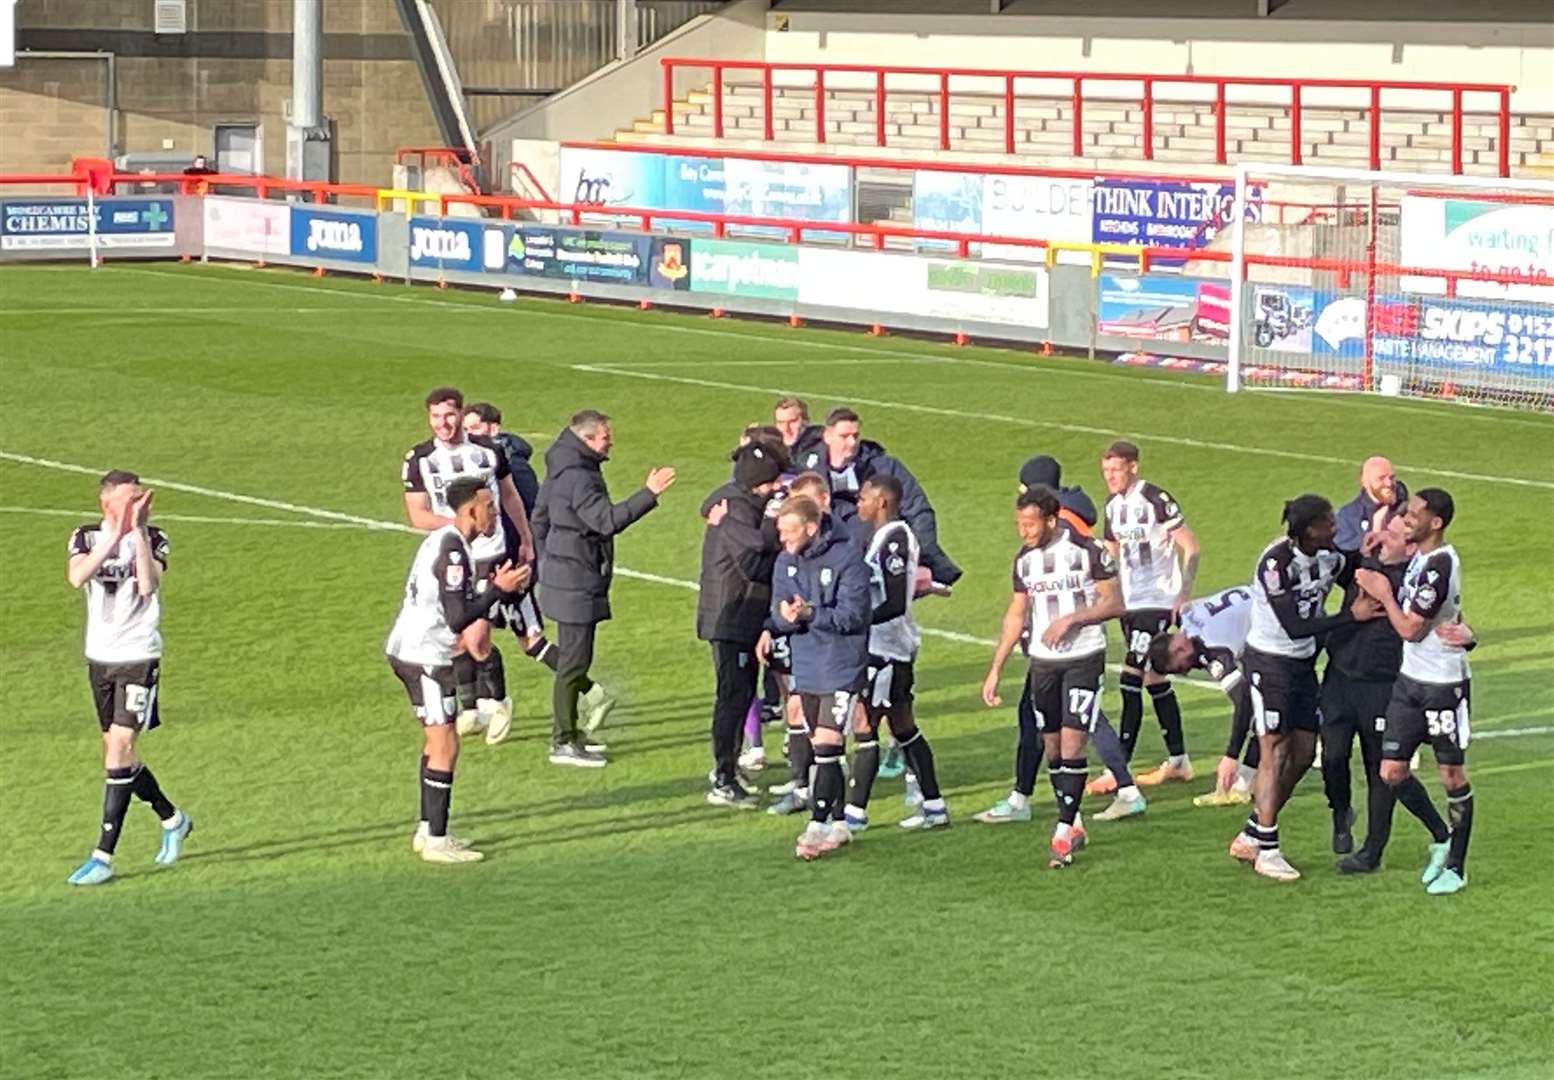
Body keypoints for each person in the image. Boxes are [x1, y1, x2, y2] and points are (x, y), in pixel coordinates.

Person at [977, 454, 1144, 824]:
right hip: (1044, 659)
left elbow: (1113, 601)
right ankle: (1101, 796)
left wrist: (1071, 619)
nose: (1024, 530)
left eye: (1029, 522)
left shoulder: (1078, 545)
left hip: (1082, 656)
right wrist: (995, 669)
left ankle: (1046, 808)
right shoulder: (1026, 558)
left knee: (1071, 732)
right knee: (1055, 731)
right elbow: (1016, 613)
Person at [1229, 495, 1378, 882]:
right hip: (1269, 663)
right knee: (1273, 750)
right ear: (1309, 529)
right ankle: (1268, 850)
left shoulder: (1329, 557)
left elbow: (1356, 572)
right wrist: (1349, 617)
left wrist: (1373, 553)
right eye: (1329, 522)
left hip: (1303, 665)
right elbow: (1293, 626)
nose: (1335, 527)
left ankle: (1251, 833)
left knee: (1303, 752)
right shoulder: (1276, 563)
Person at [386, 477, 529, 863]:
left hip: (412, 650)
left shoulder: (445, 541)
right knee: (445, 743)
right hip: (424, 658)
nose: (494, 513)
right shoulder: (452, 551)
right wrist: (498, 589)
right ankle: (436, 839)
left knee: (437, 740)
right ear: (470, 510)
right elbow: (457, 618)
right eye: (490, 507)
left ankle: (426, 828)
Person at [65, 471, 192, 886]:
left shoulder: (154, 537)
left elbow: (148, 583)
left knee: (120, 746)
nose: (136, 504)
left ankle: (102, 856)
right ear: (106, 504)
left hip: (139, 656)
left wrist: (134, 532)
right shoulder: (85, 537)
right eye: (126, 499)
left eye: (139, 497)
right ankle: (172, 818)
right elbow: (77, 577)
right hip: (99, 657)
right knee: (116, 755)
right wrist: (114, 534)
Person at [463, 401, 616, 740]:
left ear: (492, 428)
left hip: (509, 565)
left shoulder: (512, 466)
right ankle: (475, 706)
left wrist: (530, 556)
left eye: (472, 427)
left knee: (522, 639)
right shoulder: (470, 461)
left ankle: (496, 704)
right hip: (480, 563)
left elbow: (535, 512)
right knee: (468, 634)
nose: (466, 434)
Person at [531, 409, 675, 766]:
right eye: (605, 435)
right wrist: (648, 493)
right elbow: (607, 521)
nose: (610, 439)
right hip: (575, 579)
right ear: (587, 438)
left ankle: (572, 734)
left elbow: (540, 518)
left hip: (565, 574)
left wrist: (549, 560)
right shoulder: (580, 477)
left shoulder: (561, 466)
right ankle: (562, 741)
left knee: (574, 659)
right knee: (574, 662)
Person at [1354, 489, 1476, 895]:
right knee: (1392, 771)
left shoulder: (1440, 565)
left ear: (1435, 523)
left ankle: (1457, 868)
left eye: (1415, 513)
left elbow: (1410, 628)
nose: (1407, 517)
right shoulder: (1422, 557)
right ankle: (1442, 838)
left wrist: (1383, 592)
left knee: (1451, 775)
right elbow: (1450, 611)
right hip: (1410, 682)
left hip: (1443, 685)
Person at [402, 387, 536, 745]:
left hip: (489, 553)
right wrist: (459, 525)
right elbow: (417, 514)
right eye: (436, 417)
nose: (443, 423)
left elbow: (509, 495)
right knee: (456, 637)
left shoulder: (489, 451)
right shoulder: (418, 458)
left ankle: (499, 702)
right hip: (450, 556)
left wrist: (524, 538)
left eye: (449, 415)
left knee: (476, 639)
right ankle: (471, 707)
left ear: (461, 414)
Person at [1324, 515, 1455, 872]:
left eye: (1392, 535)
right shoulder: (1366, 565)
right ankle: (1340, 811)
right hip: (1338, 680)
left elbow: (1417, 622)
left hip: (1381, 686)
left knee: (1381, 770)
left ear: (1409, 546)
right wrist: (1361, 555)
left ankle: (1374, 850)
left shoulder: (1412, 583)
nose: (1380, 538)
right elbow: (1333, 568)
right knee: (1332, 756)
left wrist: (1382, 590)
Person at [768, 496, 872, 859]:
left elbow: (853, 616)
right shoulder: (785, 561)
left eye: (790, 532)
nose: (784, 540)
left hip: (841, 665)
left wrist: (811, 613)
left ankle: (817, 824)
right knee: (821, 749)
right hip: (807, 665)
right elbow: (777, 614)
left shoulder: (848, 559)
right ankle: (840, 823)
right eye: (781, 533)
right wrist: (785, 617)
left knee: (827, 747)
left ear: (811, 528)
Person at [846, 474, 949, 831]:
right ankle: (934, 806)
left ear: (882, 501)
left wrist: (855, 620)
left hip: (885, 648)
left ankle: (854, 815)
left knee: (865, 724)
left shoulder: (895, 539)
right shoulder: (881, 538)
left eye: (863, 497)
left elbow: (892, 600)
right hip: (884, 646)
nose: (859, 503)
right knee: (903, 726)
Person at [1099, 440, 1200, 789]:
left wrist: (1183, 593)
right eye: (1106, 471)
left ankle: (1118, 769)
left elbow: (1191, 547)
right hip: (1130, 606)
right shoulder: (1112, 507)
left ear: (1133, 467)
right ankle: (1179, 761)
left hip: (1157, 601)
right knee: (1154, 679)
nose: (1110, 477)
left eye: (1116, 470)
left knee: (1130, 678)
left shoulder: (1155, 499)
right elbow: (1108, 558)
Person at [698, 441, 784, 808]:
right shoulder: (736, 509)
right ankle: (722, 776)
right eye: (770, 483)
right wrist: (781, 553)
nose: (774, 489)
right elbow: (753, 562)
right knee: (732, 699)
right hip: (730, 618)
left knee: (741, 695)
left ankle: (728, 768)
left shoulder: (736, 502)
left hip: (739, 615)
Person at [790, 406, 963, 586]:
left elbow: (918, 510)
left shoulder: (884, 468)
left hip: (878, 560)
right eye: (844, 436)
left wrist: (918, 557)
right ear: (827, 436)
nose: (852, 442)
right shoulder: (807, 469)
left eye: (855, 436)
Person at [1145, 585, 1259, 807]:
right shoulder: (1185, 618)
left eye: (1179, 667)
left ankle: (1244, 784)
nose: (1186, 671)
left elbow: (1244, 702)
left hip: (1272, 620)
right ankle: (1244, 782)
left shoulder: (1211, 648)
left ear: (1179, 649)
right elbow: (1189, 606)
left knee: (1262, 704)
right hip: (1257, 598)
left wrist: (1231, 756)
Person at [463, 402, 540, 516]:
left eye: (475, 428)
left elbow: (530, 506)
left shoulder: (514, 464)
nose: (468, 435)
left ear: (493, 429)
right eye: (465, 430)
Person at [1334, 456, 1406, 555]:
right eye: (1381, 478)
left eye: (1391, 478)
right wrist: (1376, 527)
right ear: (1365, 482)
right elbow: (1347, 552)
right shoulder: (1348, 516)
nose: (1389, 483)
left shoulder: (1404, 507)